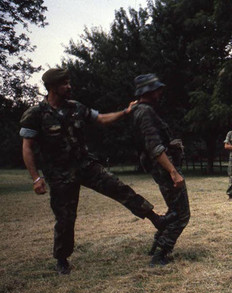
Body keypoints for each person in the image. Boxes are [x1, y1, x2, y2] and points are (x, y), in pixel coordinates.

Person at [19, 68, 169, 275]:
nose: (69, 86)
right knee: (65, 217)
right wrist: (36, 178)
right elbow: (27, 147)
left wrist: (125, 112)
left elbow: (101, 119)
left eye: (69, 82)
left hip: (85, 165)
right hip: (59, 174)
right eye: (64, 83)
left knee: (119, 188)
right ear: (52, 87)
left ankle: (155, 218)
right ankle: (62, 259)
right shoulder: (36, 114)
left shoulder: (76, 108)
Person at [131, 73, 190, 266]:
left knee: (174, 210)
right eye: (157, 89)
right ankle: (161, 254)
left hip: (160, 166)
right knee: (181, 214)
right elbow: (154, 147)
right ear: (149, 91)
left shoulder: (140, 110)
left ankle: (156, 246)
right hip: (163, 167)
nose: (160, 92)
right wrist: (173, 171)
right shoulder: (145, 112)